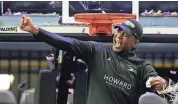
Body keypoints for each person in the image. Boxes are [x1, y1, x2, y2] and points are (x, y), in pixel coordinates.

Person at [19, 16, 168, 104]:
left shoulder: (142, 66)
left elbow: (159, 83)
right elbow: (66, 43)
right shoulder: (97, 51)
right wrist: (35, 30)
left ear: (135, 42)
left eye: (126, 35)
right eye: (119, 31)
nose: (119, 36)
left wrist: (162, 84)